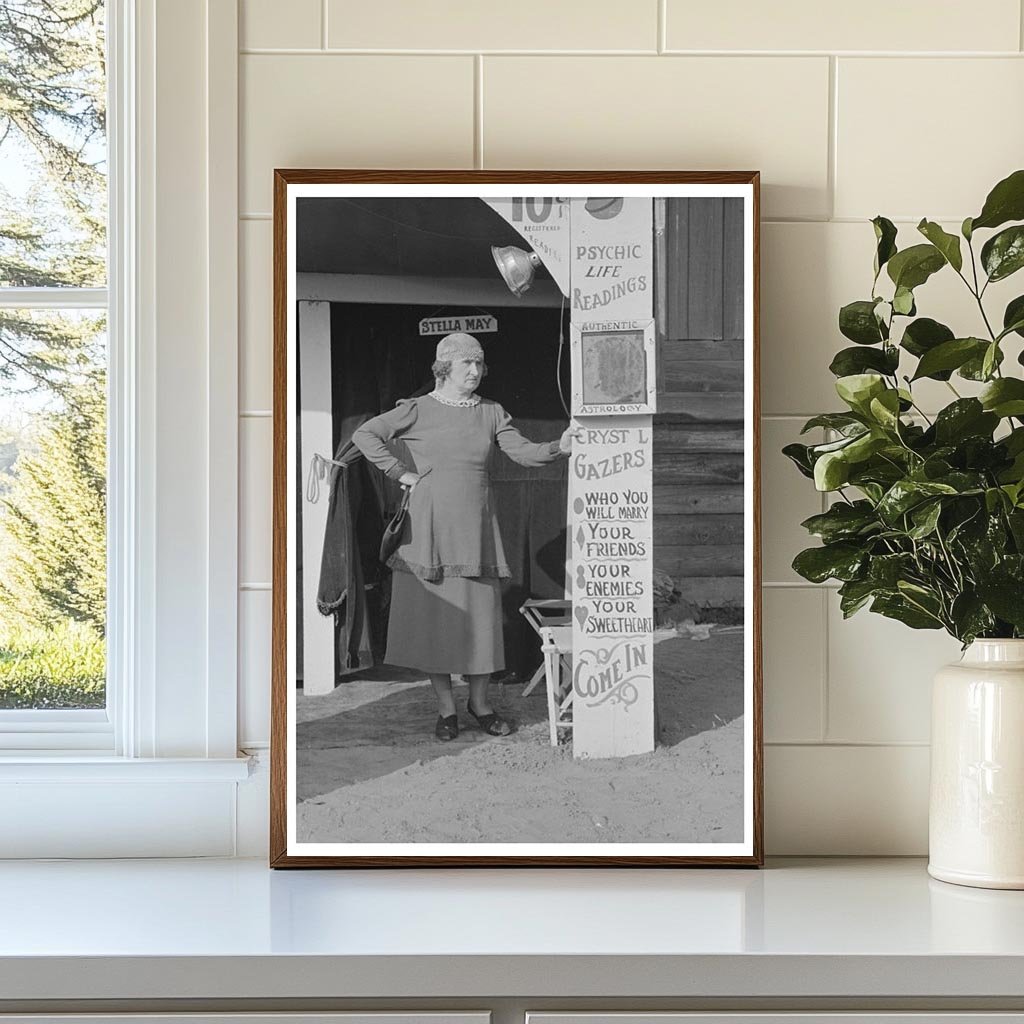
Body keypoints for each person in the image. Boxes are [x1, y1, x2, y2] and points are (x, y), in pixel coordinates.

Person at [352, 332, 578, 741]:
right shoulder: (417, 410)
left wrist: (557, 447)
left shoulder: (491, 412)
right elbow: (364, 435)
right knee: (436, 622)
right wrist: (400, 473)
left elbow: (522, 452)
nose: (475, 372)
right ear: (444, 368)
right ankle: (445, 710)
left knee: (480, 624)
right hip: (430, 530)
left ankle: (481, 705)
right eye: (466, 364)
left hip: (476, 533)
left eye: (479, 364)